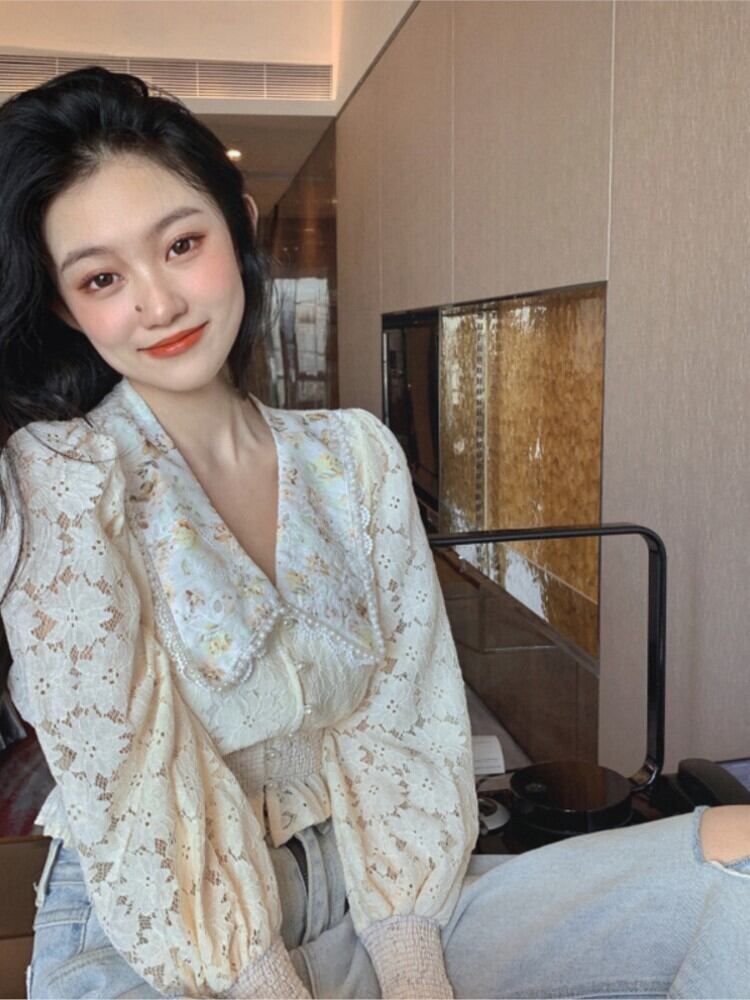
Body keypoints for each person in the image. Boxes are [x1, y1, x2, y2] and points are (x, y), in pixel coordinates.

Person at [0, 66, 747, 1000]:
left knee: (738, 864)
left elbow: (403, 717)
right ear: (65, 306)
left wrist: (410, 960)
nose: (158, 303)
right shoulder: (62, 478)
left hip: (380, 890)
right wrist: (265, 979)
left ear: (237, 228)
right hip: (161, 938)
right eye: (103, 277)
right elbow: (131, 783)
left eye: (182, 244)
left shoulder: (354, 457)